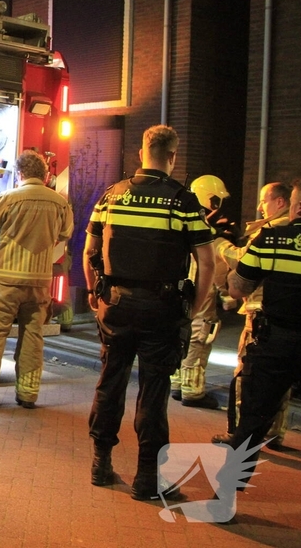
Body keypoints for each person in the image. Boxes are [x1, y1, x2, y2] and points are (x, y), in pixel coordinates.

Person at [83, 125, 214, 501]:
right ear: (172, 156)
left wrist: (96, 294)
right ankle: (147, 478)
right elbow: (205, 260)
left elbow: (89, 249)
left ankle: (100, 463)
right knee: (154, 391)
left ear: (142, 152)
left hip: (116, 307)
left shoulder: (112, 195)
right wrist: (195, 306)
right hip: (161, 310)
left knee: (110, 381)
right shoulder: (183, 200)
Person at [0, 149, 73, 410]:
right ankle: (28, 394)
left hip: (6, 282)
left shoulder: (8, 198)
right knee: (33, 338)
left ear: (21, 174)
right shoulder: (59, 203)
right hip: (39, 284)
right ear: (45, 176)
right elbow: (66, 232)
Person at [222, 178, 301, 473]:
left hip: (276, 341)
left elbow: (238, 288)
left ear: (298, 207)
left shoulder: (270, 238)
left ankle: (226, 493)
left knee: (254, 420)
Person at [211, 181, 292, 448]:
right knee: (282, 379)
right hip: (284, 316)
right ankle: (275, 432)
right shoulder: (290, 232)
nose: (259, 207)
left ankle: (239, 434)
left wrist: (220, 242)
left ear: (280, 203)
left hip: (260, 313)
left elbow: (241, 261)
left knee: (246, 376)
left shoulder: (270, 233)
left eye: (264, 200)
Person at [168, 175, 232, 408]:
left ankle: (177, 384)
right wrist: (226, 294)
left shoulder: (185, 219)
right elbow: (216, 267)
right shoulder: (210, 230)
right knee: (200, 337)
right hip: (202, 292)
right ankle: (193, 392)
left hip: (181, 290)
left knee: (184, 336)